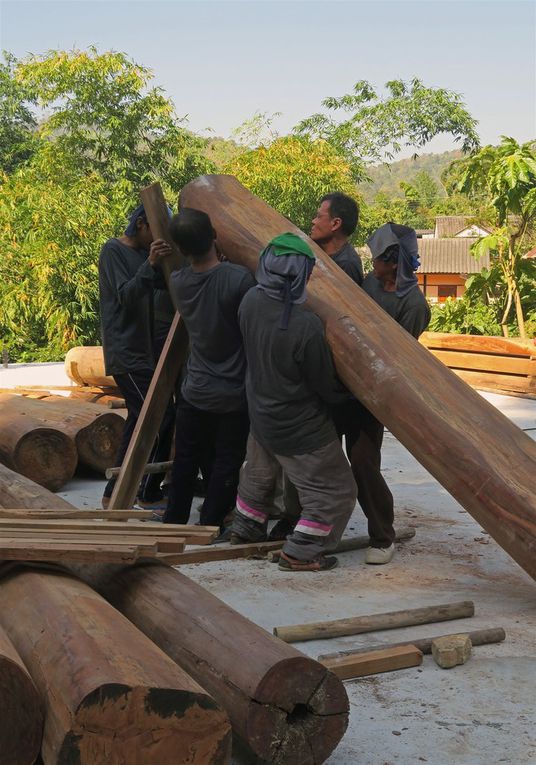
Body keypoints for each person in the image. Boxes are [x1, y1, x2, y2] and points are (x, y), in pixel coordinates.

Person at [231, 233, 357, 571]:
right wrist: (349, 399)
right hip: (299, 426)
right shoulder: (305, 326)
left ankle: (245, 528)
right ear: (301, 275)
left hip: (260, 414)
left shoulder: (249, 302)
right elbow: (323, 384)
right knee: (335, 490)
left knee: (258, 475)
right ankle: (301, 551)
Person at [268, 192, 363, 543]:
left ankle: (310, 527)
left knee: (319, 460)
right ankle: (295, 517)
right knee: (299, 457)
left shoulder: (347, 266)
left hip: (328, 373)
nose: (313, 221)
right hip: (307, 367)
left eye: (319, 216)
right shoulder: (320, 257)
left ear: (335, 224)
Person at [163, 208, 255, 532]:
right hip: (232, 392)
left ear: (182, 249)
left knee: (186, 459)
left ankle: (174, 519)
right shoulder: (239, 278)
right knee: (227, 459)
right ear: (215, 236)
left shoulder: (178, 281)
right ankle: (211, 521)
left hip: (195, 389)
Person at [352, 222, 431, 563]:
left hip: (373, 393)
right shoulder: (369, 283)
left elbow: (400, 358)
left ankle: (382, 536)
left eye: (377, 258)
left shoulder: (413, 305)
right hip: (342, 382)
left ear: (392, 260)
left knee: (363, 463)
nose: (371, 263)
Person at [99, 204, 175, 509]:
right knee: (154, 416)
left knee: (147, 417)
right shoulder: (113, 251)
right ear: (141, 224)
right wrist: (152, 262)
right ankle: (124, 491)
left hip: (143, 350)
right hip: (125, 350)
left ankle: (134, 493)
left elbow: (164, 284)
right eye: (154, 233)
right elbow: (127, 297)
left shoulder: (143, 256)